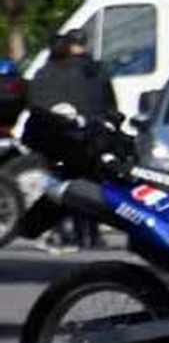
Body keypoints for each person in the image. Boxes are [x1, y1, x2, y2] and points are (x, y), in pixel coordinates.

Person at [27, 29, 118, 249]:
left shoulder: (43, 73)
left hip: (55, 137)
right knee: (89, 181)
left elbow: (36, 107)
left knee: (59, 183)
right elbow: (109, 104)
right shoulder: (95, 70)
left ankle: (60, 232)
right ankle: (90, 233)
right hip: (89, 134)